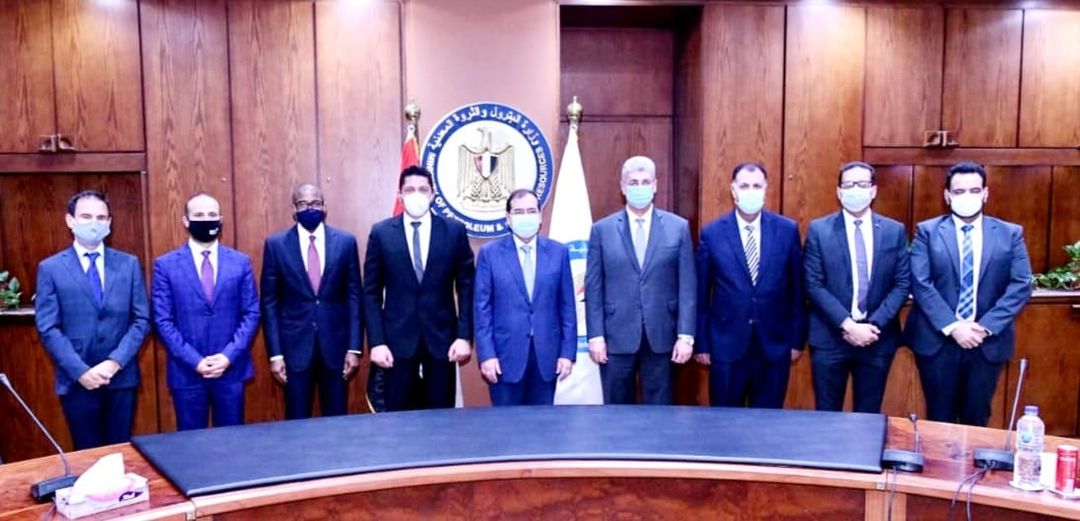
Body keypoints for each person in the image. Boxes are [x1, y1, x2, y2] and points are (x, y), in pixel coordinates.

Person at [907, 161, 1033, 426]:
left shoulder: (1010, 234)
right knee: (939, 420)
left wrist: (985, 327)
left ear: (985, 193)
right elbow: (920, 283)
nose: (967, 196)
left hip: (986, 342)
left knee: (977, 418)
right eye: (959, 191)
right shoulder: (927, 232)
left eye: (974, 190)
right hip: (938, 342)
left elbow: (1021, 283)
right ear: (947, 195)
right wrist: (954, 327)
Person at [35, 190, 150, 449]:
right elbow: (48, 327)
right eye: (86, 217)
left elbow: (141, 319)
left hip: (120, 378)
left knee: (119, 453)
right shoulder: (51, 268)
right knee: (86, 455)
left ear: (109, 222)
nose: (94, 223)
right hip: (76, 379)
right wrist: (81, 371)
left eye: (100, 217)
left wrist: (114, 363)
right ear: (70, 221)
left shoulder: (129, 264)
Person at [585, 155, 696, 405]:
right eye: (633, 182)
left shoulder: (678, 227)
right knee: (616, 411)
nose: (640, 187)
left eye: (645, 182)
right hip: (615, 337)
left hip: (662, 336)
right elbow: (594, 289)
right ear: (622, 187)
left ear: (655, 185)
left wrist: (685, 335)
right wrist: (596, 336)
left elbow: (688, 287)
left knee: (660, 412)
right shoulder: (602, 230)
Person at [364, 166, 475, 411]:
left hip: (443, 343)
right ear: (400, 195)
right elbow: (370, 293)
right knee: (398, 420)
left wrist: (464, 336)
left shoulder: (453, 231)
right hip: (395, 344)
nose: (417, 195)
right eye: (410, 189)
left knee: (441, 419)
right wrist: (377, 342)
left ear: (432, 194)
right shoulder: (381, 233)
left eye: (423, 189)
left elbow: (467, 287)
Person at [695, 162, 806, 408]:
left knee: (768, 423)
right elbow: (701, 296)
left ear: (766, 189)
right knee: (724, 423)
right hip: (726, 347)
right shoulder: (712, 234)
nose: (751, 191)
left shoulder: (787, 230)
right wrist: (702, 343)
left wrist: (797, 340)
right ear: (733, 190)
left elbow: (797, 291)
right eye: (744, 186)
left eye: (757, 186)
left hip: (774, 346)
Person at [804, 162, 910, 413]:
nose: (855, 190)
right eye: (849, 184)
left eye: (862, 184)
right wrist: (849, 325)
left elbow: (902, 283)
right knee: (827, 416)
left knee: (868, 416)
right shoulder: (819, 230)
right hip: (830, 337)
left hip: (877, 337)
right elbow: (813, 283)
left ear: (873, 191)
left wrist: (871, 326)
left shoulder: (894, 231)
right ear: (839, 191)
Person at [152, 193, 260, 430]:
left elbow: (251, 313)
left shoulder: (240, 262)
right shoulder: (165, 265)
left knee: (231, 441)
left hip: (231, 370)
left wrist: (228, 356)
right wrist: (195, 361)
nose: (206, 219)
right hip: (187, 371)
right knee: (191, 444)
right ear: (185, 221)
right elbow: (162, 320)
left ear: (221, 219)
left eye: (212, 214)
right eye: (199, 215)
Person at [260, 183, 362, 419]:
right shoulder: (276, 245)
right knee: (296, 422)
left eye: (315, 203)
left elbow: (355, 296)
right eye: (303, 204)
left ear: (324, 207)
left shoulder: (345, 242)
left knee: (337, 422)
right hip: (294, 350)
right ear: (294, 210)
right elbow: (269, 302)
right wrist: (275, 355)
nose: (310, 208)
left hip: (336, 349)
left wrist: (354, 348)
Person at [474, 189, 575, 405]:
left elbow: (567, 307)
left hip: (547, 357)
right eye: (518, 212)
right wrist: (487, 355)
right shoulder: (490, 254)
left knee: (543, 423)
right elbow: (482, 310)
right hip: (504, 358)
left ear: (540, 216)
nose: (525, 216)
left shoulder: (559, 252)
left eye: (531, 211)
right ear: (508, 218)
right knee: (507, 424)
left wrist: (567, 353)